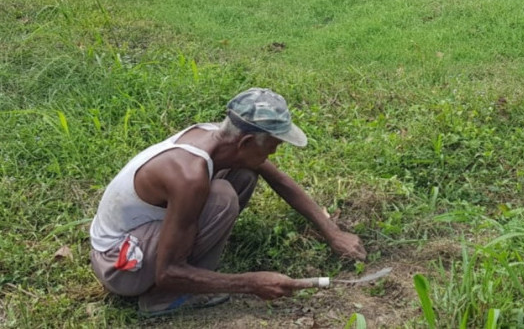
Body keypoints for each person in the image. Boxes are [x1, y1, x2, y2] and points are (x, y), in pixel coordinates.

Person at [89, 87, 366, 317]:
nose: (276, 150)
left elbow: (281, 181)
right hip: (120, 266)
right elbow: (168, 271)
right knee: (222, 197)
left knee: (244, 175)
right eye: (274, 144)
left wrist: (333, 232)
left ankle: (194, 265)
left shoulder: (217, 137)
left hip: (141, 239)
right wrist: (250, 283)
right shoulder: (188, 176)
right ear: (246, 141)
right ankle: (162, 300)